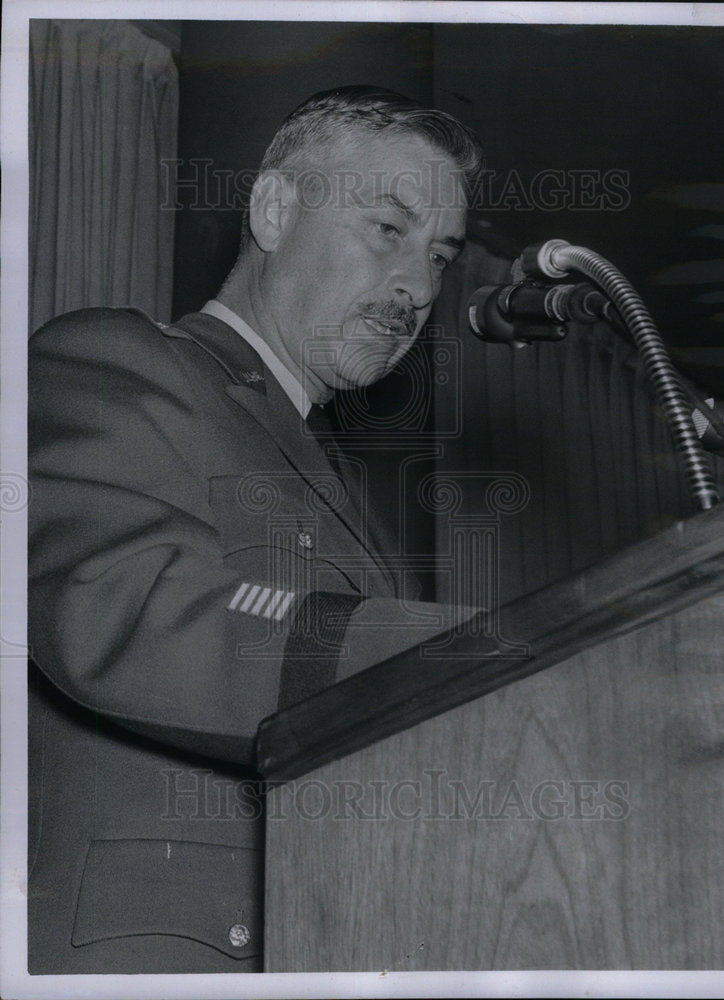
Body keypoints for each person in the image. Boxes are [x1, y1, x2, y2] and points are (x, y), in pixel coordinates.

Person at [27, 85, 485, 973]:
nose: (419, 286)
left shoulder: (337, 476)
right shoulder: (116, 361)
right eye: (389, 230)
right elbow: (118, 608)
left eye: (439, 255)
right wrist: (469, 650)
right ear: (275, 210)